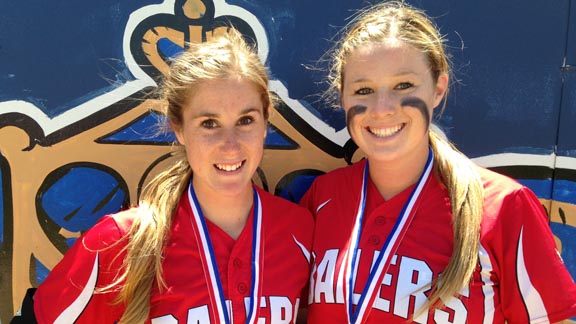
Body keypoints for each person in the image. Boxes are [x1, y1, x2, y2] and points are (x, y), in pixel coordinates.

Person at [300, 1, 576, 323]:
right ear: (343, 96)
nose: (382, 108)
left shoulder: (503, 207)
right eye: (364, 90)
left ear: (438, 89)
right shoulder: (323, 198)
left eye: (404, 85)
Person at [15, 30, 313, 324]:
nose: (230, 144)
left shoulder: (300, 230)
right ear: (179, 129)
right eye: (209, 123)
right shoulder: (123, 241)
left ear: (265, 122)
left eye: (246, 120)